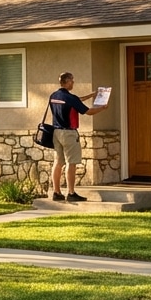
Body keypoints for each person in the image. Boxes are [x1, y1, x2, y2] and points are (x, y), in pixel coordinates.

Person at [49, 71, 109, 202]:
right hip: (69, 134)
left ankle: (56, 192)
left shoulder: (54, 96)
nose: (73, 82)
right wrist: (102, 108)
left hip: (56, 132)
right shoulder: (70, 98)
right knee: (71, 163)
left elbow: (76, 101)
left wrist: (91, 95)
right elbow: (88, 112)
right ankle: (71, 193)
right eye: (72, 80)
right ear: (67, 82)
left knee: (58, 162)